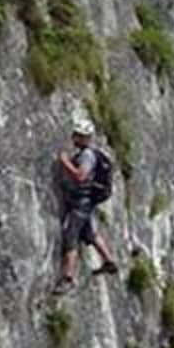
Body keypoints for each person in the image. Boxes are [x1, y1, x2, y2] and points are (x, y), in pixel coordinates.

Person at [54, 116, 117, 293]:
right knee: (89, 233)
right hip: (85, 202)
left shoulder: (87, 156)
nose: (74, 138)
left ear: (84, 138)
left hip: (80, 202)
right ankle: (109, 261)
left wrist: (65, 161)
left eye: (77, 135)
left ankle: (68, 278)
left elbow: (80, 176)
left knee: (70, 237)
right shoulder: (87, 154)